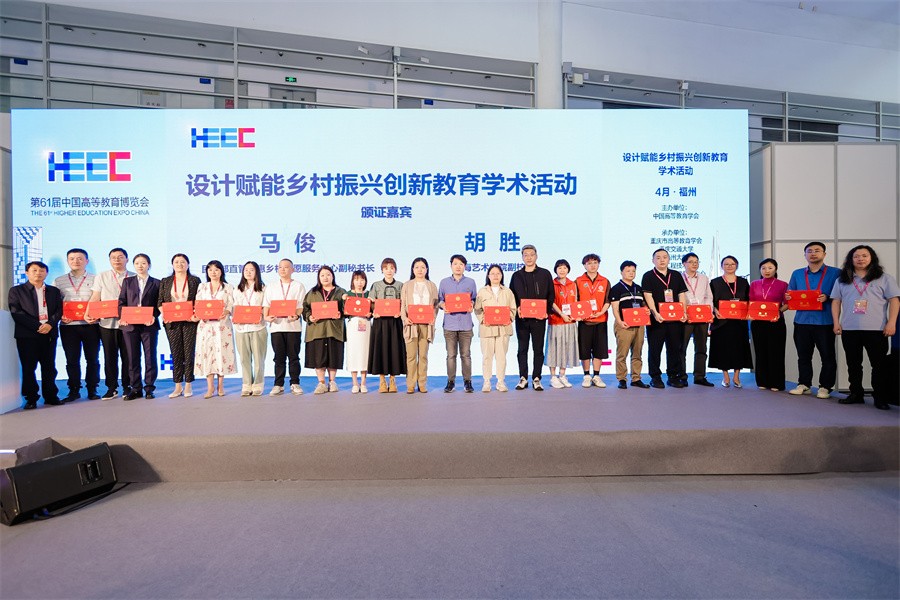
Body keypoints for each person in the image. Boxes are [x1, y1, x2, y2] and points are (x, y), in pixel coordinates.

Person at [831, 245, 900, 410]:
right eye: (856, 256)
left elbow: (894, 300)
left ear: (872, 258)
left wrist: (892, 322)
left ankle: (880, 397)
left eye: (864, 255)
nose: (860, 259)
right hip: (850, 329)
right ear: (851, 259)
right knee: (853, 364)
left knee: (879, 365)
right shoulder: (843, 279)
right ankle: (856, 394)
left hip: (877, 329)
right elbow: (836, 301)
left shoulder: (884, 278)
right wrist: (836, 322)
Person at [786, 242, 841, 399]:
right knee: (803, 356)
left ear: (824, 254)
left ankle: (825, 387)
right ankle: (804, 384)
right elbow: (791, 293)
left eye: (817, 250)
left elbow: (842, 294)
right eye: (809, 251)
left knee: (827, 356)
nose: (813, 253)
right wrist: (789, 296)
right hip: (802, 321)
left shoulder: (836, 273)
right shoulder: (797, 273)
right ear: (805, 255)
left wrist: (828, 297)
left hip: (825, 321)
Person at [9, 261, 63, 410]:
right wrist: (38, 326)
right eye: (34, 270)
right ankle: (31, 398)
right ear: (27, 273)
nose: (38, 273)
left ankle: (51, 396)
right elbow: (16, 312)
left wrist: (50, 324)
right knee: (29, 367)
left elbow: (59, 310)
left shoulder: (53, 291)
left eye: (41, 270)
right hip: (27, 335)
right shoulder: (17, 291)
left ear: (46, 273)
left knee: (49, 367)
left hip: (49, 333)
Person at [85, 247, 133, 399]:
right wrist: (88, 312)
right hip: (107, 324)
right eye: (113, 257)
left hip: (128, 323)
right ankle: (111, 388)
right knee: (109, 357)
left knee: (128, 357)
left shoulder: (133, 276)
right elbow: (95, 296)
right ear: (110, 260)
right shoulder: (102, 276)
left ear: (127, 259)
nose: (117, 260)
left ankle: (127, 386)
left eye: (120, 257)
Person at [54, 248, 100, 401]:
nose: (76, 261)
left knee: (92, 359)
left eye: (80, 258)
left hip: (91, 325)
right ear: (68, 261)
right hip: (68, 326)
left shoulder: (96, 279)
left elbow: (100, 300)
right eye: (72, 259)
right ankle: (74, 390)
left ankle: (92, 389)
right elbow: (54, 303)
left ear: (86, 261)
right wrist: (60, 316)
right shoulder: (59, 281)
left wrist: (97, 315)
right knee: (72, 360)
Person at [509, 244, 555, 391]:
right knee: (522, 349)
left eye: (531, 254)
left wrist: (546, 311)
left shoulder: (545, 274)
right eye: (526, 255)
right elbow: (511, 296)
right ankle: (523, 378)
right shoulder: (516, 276)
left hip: (539, 319)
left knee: (538, 349)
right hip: (522, 319)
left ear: (536, 256)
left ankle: (536, 378)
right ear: (522, 257)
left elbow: (551, 295)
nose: (529, 257)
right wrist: (517, 308)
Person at [641, 248, 688, 388]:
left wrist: (683, 312)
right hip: (657, 319)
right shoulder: (648, 276)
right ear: (653, 260)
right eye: (658, 257)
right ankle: (655, 377)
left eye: (665, 257)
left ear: (669, 259)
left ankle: (673, 376)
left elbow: (681, 294)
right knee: (655, 349)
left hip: (675, 319)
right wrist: (655, 313)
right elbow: (648, 296)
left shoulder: (676, 275)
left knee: (674, 348)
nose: (662, 260)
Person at [117, 253, 160, 400]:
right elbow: (122, 301)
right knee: (132, 358)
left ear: (149, 265)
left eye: (143, 263)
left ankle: (149, 388)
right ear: (133, 265)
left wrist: (154, 316)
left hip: (149, 325)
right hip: (130, 326)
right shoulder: (127, 281)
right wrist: (123, 317)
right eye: (137, 263)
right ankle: (136, 388)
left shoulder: (157, 283)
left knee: (150, 357)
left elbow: (159, 304)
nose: (140, 266)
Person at [158, 253, 201, 398]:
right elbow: (160, 302)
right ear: (172, 265)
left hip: (189, 321)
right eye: (176, 262)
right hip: (172, 323)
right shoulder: (165, 281)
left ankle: (188, 384)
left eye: (183, 262)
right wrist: (165, 314)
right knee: (175, 353)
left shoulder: (195, 280)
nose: (179, 264)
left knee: (189, 353)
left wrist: (195, 314)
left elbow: (199, 300)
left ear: (188, 264)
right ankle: (177, 386)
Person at [263, 258, 306, 396]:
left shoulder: (298, 286)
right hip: (276, 326)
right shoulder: (271, 286)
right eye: (280, 267)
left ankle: (295, 383)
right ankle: (278, 384)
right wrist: (266, 317)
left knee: (294, 357)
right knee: (278, 358)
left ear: (292, 269)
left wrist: (296, 315)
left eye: (286, 267)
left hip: (293, 327)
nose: (283, 269)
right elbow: (266, 304)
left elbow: (301, 305)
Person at [194, 260, 236, 398]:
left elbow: (231, 304)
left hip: (222, 326)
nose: (213, 272)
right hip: (205, 326)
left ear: (221, 271)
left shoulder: (228, 287)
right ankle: (210, 387)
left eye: (216, 270)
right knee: (207, 354)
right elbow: (198, 304)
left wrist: (227, 311)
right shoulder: (202, 286)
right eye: (210, 270)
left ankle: (220, 386)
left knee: (221, 354)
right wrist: (200, 313)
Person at [709, 255, 753, 388]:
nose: (729, 266)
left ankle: (736, 377)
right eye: (726, 264)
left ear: (737, 266)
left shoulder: (743, 282)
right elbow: (710, 300)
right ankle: (726, 376)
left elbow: (749, 299)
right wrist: (715, 310)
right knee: (723, 349)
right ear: (722, 266)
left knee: (739, 349)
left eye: (732, 264)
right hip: (721, 322)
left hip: (739, 322)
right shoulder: (715, 282)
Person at [303, 265, 347, 394]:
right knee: (318, 357)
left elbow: (346, 308)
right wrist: (310, 317)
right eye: (322, 275)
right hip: (317, 330)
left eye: (328, 275)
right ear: (318, 277)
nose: (325, 277)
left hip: (334, 330)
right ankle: (321, 383)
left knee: (333, 356)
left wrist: (340, 314)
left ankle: (332, 382)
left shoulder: (340, 292)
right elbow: (305, 308)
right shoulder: (312, 292)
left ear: (333, 276)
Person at [474, 264, 517, 392]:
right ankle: (487, 382)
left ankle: (500, 381)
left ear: (502, 275)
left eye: (498, 273)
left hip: (503, 329)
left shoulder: (508, 292)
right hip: (487, 329)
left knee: (501, 356)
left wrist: (509, 318)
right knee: (487, 356)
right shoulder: (482, 291)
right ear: (488, 276)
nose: (495, 276)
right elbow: (477, 309)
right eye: (492, 273)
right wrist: (483, 319)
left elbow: (513, 309)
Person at [438, 254, 478, 393]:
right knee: (451, 355)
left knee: (466, 355)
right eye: (455, 264)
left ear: (465, 267)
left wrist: (472, 304)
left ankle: (468, 382)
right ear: (451, 266)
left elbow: (474, 299)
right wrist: (443, 305)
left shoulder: (471, 282)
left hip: (466, 324)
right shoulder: (444, 282)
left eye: (461, 264)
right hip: (450, 324)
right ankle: (451, 382)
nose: (458, 267)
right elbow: (440, 300)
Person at [608, 261, 650, 389]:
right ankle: (622, 379)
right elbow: (615, 308)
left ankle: (636, 378)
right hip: (624, 325)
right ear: (621, 272)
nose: (631, 273)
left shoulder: (638, 288)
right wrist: (620, 322)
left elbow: (643, 304)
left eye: (633, 271)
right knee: (622, 354)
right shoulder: (616, 288)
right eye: (628, 271)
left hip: (639, 325)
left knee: (637, 353)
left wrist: (646, 309)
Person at [749, 258, 788, 391]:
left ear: (775, 269)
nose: (767, 271)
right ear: (760, 270)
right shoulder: (754, 284)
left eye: (770, 268)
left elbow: (787, 303)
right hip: (758, 323)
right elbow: (751, 302)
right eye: (763, 268)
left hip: (775, 322)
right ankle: (762, 381)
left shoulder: (783, 284)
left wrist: (777, 312)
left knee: (776, 352)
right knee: (760, 352)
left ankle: (776, 382)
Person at [401, 257, 439, 394]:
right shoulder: (407, 285)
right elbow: (402, 304)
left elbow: (435, 305)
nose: (420, 270)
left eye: (423, 267)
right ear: (413, 269)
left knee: (423, 355)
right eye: (417, 267)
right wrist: (405, 318)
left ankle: (422, 383)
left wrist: (433, 318)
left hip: (426, 325)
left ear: (427, 269)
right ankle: (410, 384)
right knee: (411, 356)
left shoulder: (432, 285)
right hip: (411, 325)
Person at [368, 258, 406, 393]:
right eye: (386, 268)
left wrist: (400, 313)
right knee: (381, 349)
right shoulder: (376, 285)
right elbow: (371, 303)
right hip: (380, 322)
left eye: (391, 268)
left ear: (395, 270)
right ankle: (382, 380)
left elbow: (404, 303)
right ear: (382, 270)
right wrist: (374, 312)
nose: (389, 271)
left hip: (395, 322)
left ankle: (392, 380)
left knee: (394, 349)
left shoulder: (401, 285)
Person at [575, 253, 611, 388]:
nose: (592, 265)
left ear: (599, 264)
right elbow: (575, 300)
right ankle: (586, 375)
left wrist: (602, 311)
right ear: (584, 265)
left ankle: (596, 375)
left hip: (600, 320)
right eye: (589, 263)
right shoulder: (578, 281)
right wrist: (579, 314)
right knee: (584, 349)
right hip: (584, 321)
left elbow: (608, 300)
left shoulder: (605, 281)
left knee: (599, 349)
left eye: (595, 262)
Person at [680, 252, 715, 387]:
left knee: (701, 347)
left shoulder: (704, 278)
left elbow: (708, 296)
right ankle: (682, 376)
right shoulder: (679, 277)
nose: (694, 264)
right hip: (686, 317)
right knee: (681, 348)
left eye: (696, 262)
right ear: (684, 264)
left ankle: (699, 376)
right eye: (691, 262)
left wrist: (708, 311)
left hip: (702, 317)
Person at [233, 261, 267, 397]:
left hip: (258, 327)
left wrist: (261, 314)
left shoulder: (263, 288)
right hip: (241, 328)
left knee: (259, 358)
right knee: (244, 359)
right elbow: (235, 307)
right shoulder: (237, 289)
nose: (248, 272)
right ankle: (246, 384)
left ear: (257, 272)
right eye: (246, 270)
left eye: (251, 270)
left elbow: (266, 306)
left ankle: (258, 384)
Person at [546, 259, 578, 389]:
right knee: (554, 348)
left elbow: (576, 301)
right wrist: (561, 314)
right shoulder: (551, 284)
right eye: (559, 268)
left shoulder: (573, 284)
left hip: (570, 321)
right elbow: (551, 302)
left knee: (566, 348)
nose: (562, 270)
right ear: (555, 270)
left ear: (568, 269)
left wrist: (576, 314)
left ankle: (562, 375)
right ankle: (553, 377)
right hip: (556, 320)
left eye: (564, 268)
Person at [344, 270, 371, 393]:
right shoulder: (348, 294)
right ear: (352, 281)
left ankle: (363, 382)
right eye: (356, 279)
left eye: (362, 279)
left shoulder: (368, 294)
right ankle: (355, 383)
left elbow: (373, 311)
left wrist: (370, 313)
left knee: (365, 352)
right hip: (353, 325)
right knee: (353, 352)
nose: (359, 282)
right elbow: (344, 312)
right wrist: (344, 301)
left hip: (365, 325)